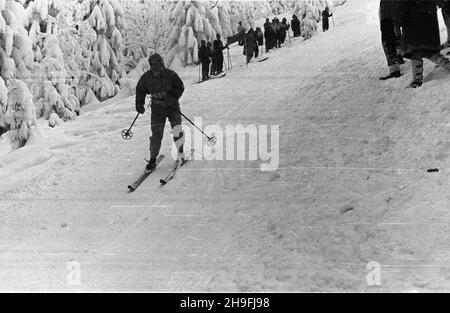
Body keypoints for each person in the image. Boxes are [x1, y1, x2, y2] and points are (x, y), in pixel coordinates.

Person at [135, 53, 185, 170]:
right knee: (156, 135)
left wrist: (171, 99)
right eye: (153, 66)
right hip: (157, 109)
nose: (156, 69)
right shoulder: (146, 78)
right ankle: (153, 158)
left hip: (172, 107)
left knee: (177, 129)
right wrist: (139, 104)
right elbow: (140, 91)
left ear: (162, 64)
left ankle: (180, 152)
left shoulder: (171, 75)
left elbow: (180, 87)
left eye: (158, 66)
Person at [395, 0, 450, 88]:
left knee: (416, 53)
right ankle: (447, 65)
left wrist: (397, 25)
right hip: (430, 25)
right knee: (432, 53)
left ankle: (417, 79)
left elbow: (401, 11)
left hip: (413, 27)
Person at [379, 0, 402, 80]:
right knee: (396, 36)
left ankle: (394, 69)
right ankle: (399, 57)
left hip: (387, 14)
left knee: (387, 42)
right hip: (396, 12)